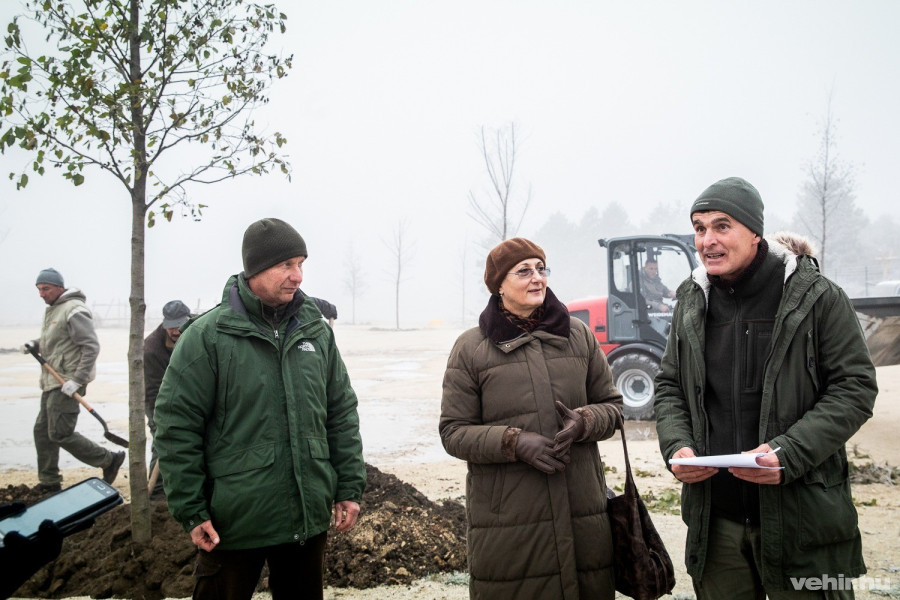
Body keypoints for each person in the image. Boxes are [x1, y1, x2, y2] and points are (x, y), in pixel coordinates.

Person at [654, 177, 878, 599]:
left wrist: (789, 453)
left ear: (755, 231)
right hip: (716, 524)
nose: (707, 240)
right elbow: (669, 386)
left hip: (801, 518)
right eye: (699, 228)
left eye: (722, 226)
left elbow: (855, 388)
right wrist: (676, 445)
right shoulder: (690, 300)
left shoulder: (817, 298)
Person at [153, 218, 366, 600]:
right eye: (286, 265)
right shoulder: (207, 337)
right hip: (232, 524)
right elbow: (176, 427)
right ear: (254, 269)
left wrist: (349, 486)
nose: (298, 276)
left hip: (306, 517)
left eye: (301, 264)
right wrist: (192, 509)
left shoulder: (315, 332)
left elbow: (340, 412)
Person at [439, 237, 623, 600]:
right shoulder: (470, 348)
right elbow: (453, 432)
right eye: (524, 271)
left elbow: (613, 408)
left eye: (541, 269)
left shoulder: (578, 336)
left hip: (582, 508)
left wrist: (585, 422)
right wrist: (514, 442)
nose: (537, 278)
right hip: (509, 520)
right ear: (499, 285)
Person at [23, 268, 125, 493]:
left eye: (46, 288)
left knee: (60, 433)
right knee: (42, 431)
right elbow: (56, 341)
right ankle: (49, 481)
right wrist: (35, 343)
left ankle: (108, 460)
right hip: (52, 381)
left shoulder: (74, 310)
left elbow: (91, 346)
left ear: (60, 287)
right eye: (39, 289)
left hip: (67, 383)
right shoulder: (54, 310)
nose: (41, 293)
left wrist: (77, 380)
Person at [143, 299, 192, 500]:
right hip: (159, 398)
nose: (175, 331)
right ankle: (156, 495)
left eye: (179, 326)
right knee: (163, 440)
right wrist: (162, 419)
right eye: (171, 327)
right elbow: (154, 391)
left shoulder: (198, 331)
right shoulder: (152, 350)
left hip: (191, 393)